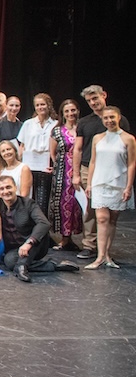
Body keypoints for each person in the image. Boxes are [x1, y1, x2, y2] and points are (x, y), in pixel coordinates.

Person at [71, 85, 131, 261]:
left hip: (113, 170)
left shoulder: (120, 119)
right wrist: (76, 173)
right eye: (89, 100)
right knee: (90, 209)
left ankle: (104, 250)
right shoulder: (84, 122)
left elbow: (126, 148)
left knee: (110, 213)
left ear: (104, 95)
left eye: (95, 98)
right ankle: (89, 245)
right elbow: (78, 149)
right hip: (88, 168)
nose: (93, 102)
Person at [0, 175, 80, 281]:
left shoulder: (28, 203)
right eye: (2, 189)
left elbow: (44, 223)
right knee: (9, 262)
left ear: (15, 187)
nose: (5, 191)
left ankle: (22, 266)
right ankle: (52, 265)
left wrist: (29, 242)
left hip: (34, 246)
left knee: (39, 231)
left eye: (8, 187)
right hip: (15, 250)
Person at [84, 106, 135, 269]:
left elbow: (131, 164)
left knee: (112, 219)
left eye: (112, 117)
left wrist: (128, 187)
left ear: (118, 117)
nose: (109, 120)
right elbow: (93, 162)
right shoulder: (97, 138)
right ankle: (99, 257)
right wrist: (89, 183)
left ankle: (107, 255)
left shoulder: (128, 139)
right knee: (101, 218)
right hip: (99, 181)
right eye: (106, 118)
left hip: (118, 183)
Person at [49, 99, 82, 247]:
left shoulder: (82, 127)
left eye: (73, 110)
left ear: (78, 111)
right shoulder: (57, 130)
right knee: (64, 203)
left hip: (81, 169)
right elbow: (52, 153)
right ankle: (65, 237)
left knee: (78, 204)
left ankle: (80, 238)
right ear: (62, 113)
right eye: (67, 111)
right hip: (63, 171)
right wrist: (60, 166)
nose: (70, 113)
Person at [17, 92, 57, 210]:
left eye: (43, 104)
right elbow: (22, 145)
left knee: (42, 198)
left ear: (48, 105)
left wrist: (55, 164)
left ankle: (41, 220)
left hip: (46, 164)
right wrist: (19, 163)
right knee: (27, 194)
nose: (40, 107)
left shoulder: (55, 124)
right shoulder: (28, 124)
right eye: (37, 105)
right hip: (29, 163)